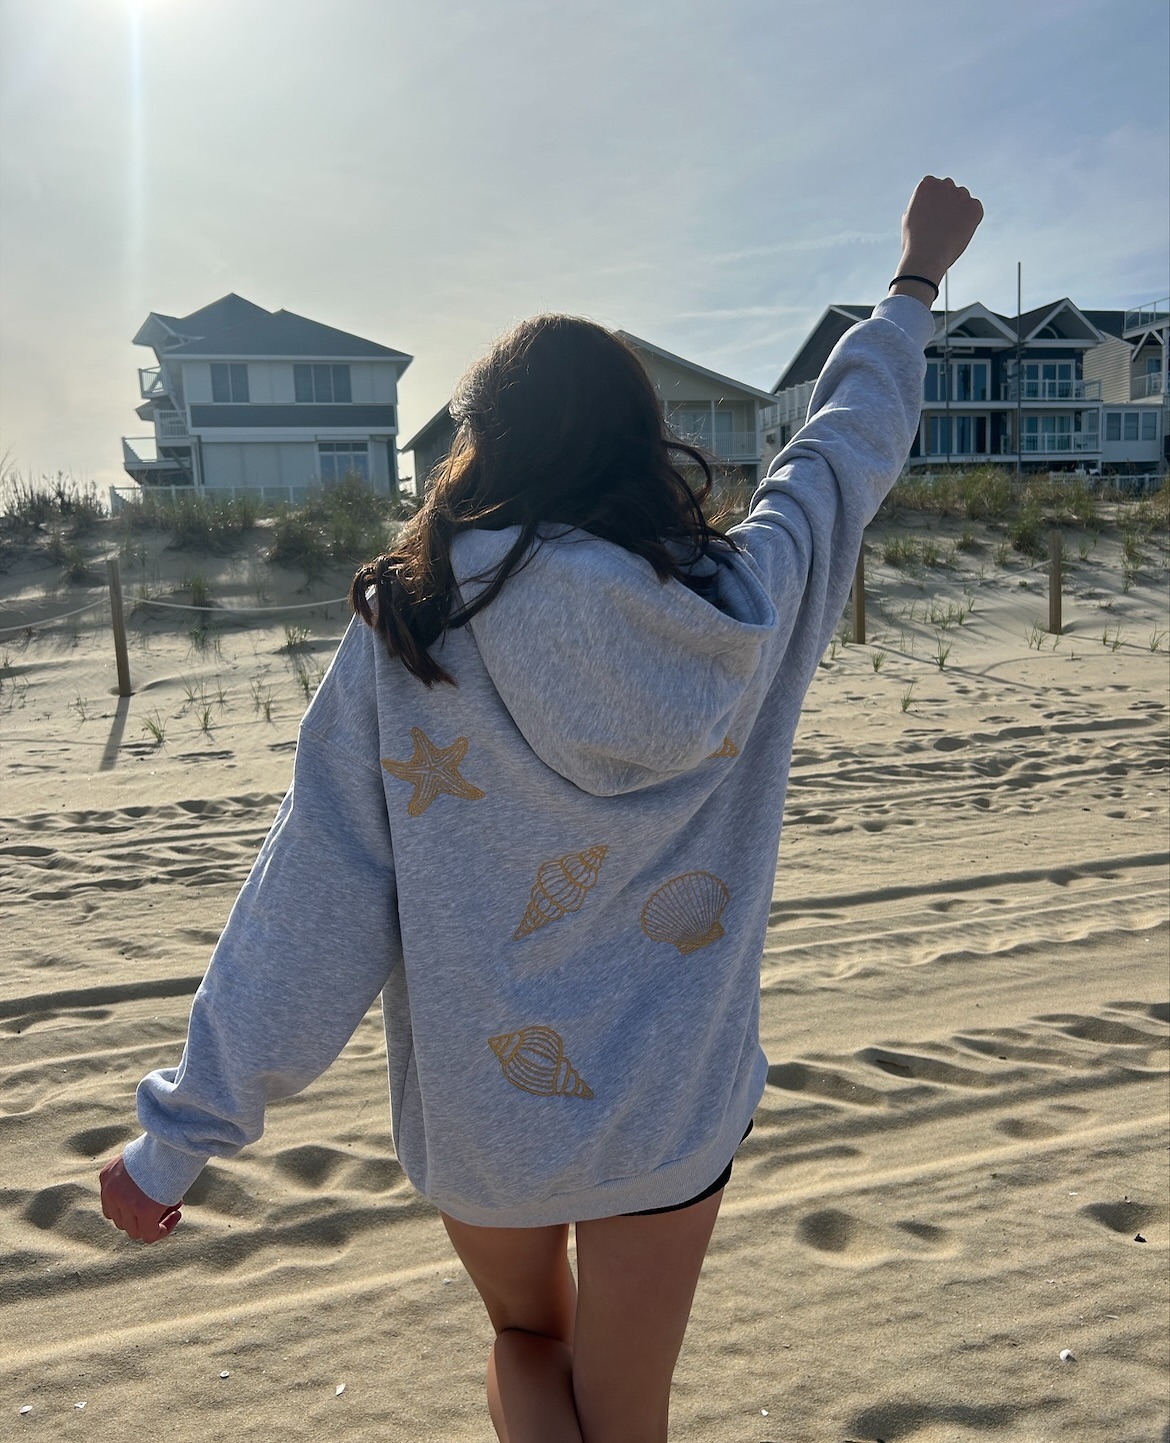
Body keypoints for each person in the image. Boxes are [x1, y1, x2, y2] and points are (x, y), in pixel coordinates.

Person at [100, 176, 983, 1442]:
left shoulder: (410, 623)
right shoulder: (744, 604)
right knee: (628, 1411)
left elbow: (316, 896)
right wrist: (915, 280)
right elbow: (840, 453)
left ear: (483, 443)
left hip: (488, 1121)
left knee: (527, 1347)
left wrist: (177, 1141)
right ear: (642, 443)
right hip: (672, 1104)